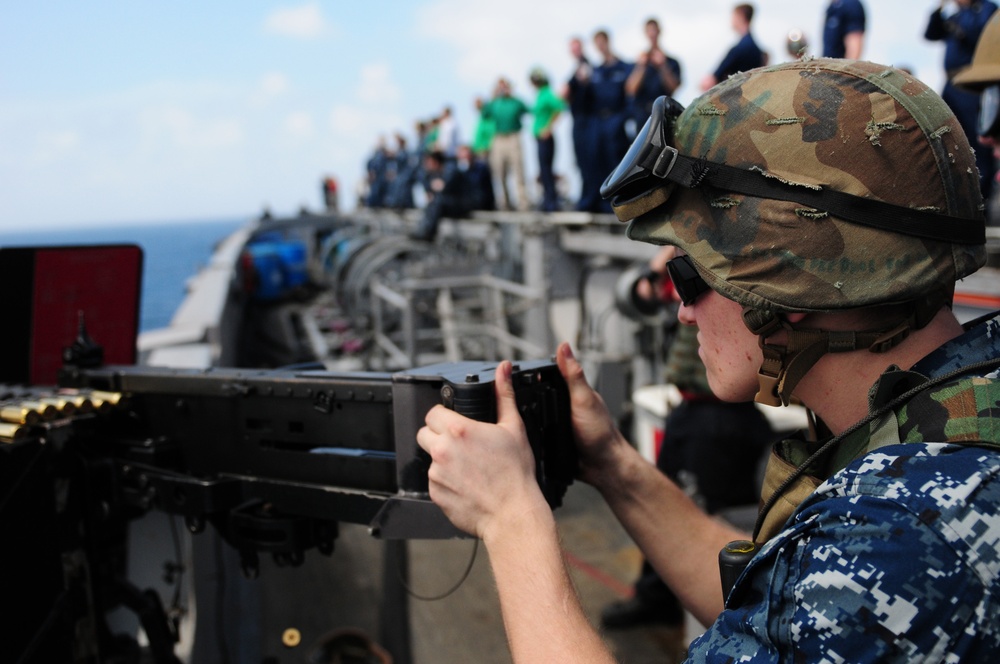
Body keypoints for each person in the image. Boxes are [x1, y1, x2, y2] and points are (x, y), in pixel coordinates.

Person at [417, 58, 1000, 661]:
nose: (683, 312)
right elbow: (782, 610)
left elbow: (841, 594)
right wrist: (612, 462)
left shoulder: (897, 540)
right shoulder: (959, 419)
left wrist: (510, 517)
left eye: (690, 277)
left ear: (784, 281)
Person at [601, 247, 774, 630]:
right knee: (667, 502)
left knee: (712, 517)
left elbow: (655, 293)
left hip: (722, 419)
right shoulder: (693, 277)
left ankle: (728, 619)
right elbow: (650, 294)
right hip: (693, 410)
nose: (686, 313)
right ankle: (657, 597)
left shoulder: (721, 270)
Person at [925, 0, 999, 202]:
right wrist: (940, 8)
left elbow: (980, 37)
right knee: (948, 138)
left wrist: (957, 28)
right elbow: (930, 34)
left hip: (973, 85)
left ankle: (981, 198)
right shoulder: (954, 15)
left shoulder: (986, 9)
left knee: (979, 143)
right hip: (951, 85)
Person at [589, 29, 633, 213]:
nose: (600, 46)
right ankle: (604, 205)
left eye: (602, 42)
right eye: (597, 43)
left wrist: (624, 118)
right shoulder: (596, 71)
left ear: (607, 41)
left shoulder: (624, 67)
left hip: (617, 119)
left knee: (619, 161)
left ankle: (622, 203)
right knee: (600, 161)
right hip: (600, 121)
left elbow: (630, 93)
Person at [481, 78, 530, 211]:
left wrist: (512, 95)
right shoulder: (494, 103)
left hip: (514, 137)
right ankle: (505, 203)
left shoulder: (516, 102)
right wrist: (493, 96)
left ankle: (523, 203)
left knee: (518, 170)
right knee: (499, 171)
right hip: (498, 138)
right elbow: (484, 114)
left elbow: (528, 110)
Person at [563, 37, 600, 212]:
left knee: (589, 160)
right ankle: (586, 198)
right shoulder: (577, 68)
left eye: (577, 47)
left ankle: (590, 200)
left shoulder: (586, 66)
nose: (575, 50)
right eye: (573, 48)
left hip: (587, 120)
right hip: (578, 119)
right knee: (581, 161)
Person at [624, 19, 682, 128]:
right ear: (645, 33)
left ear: (659, 31)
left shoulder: (671, 62)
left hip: (664, 113)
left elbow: (674, 88)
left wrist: (663, 66)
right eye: (649, 31)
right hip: (642, 116)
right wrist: (641, 66)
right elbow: (630, 89)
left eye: (654, 30)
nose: (652, 34)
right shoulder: (638, 63)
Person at [701, 4, 766, 91]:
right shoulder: (758, 51)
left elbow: (710, 81)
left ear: (740, 17)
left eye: (733, 17)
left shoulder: (739, 49)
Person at [529, 68, 566, 212]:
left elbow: (560, 107)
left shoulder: (547, 93)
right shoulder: (539, 94)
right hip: (539, 138)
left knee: (546, 170)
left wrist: (548, 127)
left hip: (546, 138)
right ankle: (547, 200)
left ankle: (551, 202)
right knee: (543, 170)